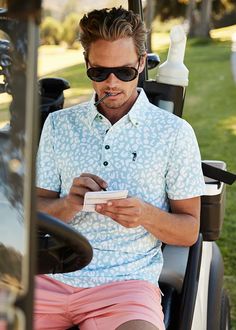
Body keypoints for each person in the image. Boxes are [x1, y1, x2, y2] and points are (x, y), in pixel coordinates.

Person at [35, 7, 206, 330]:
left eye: (124, 72)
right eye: (99, 73)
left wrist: (145, 215)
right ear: (87, 65)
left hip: (125, 286)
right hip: (50, 277)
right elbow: (35, 212)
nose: (111, 84)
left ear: (141, 63)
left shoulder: (173, 133)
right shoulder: (59, 126)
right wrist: (69, 204)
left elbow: (188, 231)